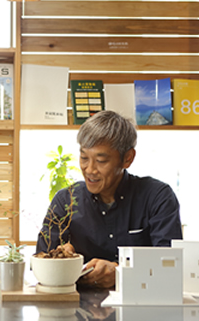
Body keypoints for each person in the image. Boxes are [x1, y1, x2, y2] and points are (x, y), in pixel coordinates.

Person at [36, 110, 183, 289]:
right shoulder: (65, 200)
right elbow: (40, 261)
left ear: (127, 158)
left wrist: (122, 273)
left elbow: (170, 265)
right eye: (84, 158)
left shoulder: (157, 197)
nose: (89, 169)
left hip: (140, 307)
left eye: (101, 160)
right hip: (76, 311)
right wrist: (61, 259)